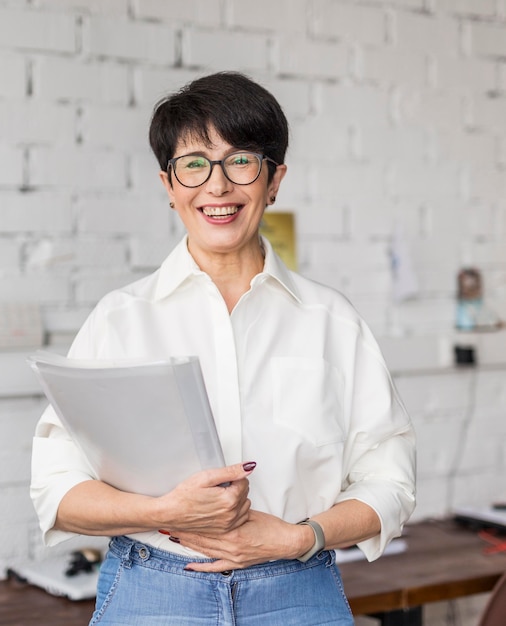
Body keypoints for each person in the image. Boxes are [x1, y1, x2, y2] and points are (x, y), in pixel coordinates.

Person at [31, 71, 416, 625]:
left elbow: (391, 483)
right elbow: (56, 490)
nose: (217, 186)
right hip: (154, 595)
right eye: (194, 164)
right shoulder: (120, 319)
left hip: (297, 591)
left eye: (241, 161)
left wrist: (297, 537)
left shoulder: (331, 320)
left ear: (274, 179)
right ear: (169, 185)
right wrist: (163, 510)